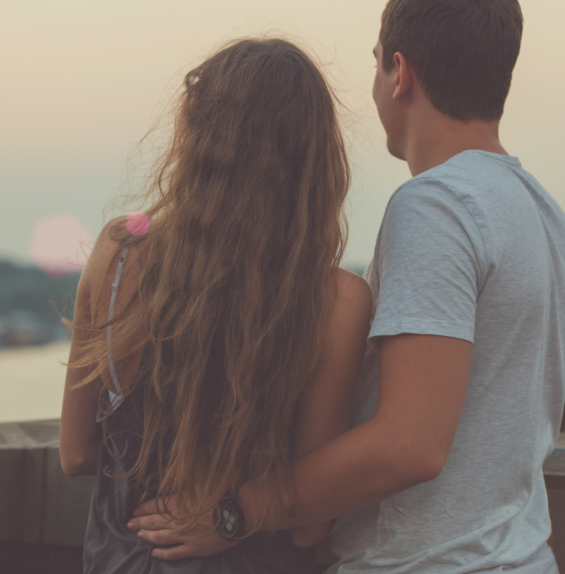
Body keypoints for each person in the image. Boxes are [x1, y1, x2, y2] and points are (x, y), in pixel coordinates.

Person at [130, 0, 565, 574]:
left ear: (403, 74)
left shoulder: (436, 206)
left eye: (377, 64)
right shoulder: (544, 213)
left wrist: (234, 511)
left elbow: (411, 445)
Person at [59, 38, 374, 573]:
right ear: (316, 155)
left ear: (197, 138)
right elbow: (309, 526)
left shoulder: (116, 254)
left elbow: (77, 454)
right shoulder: (336, 301)